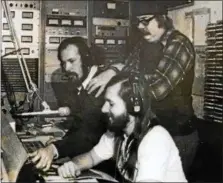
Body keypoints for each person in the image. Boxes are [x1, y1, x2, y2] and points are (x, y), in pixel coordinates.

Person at [85, 12, 199, 176]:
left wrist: (119, 73)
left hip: (176, 136)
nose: (140, 27)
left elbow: (156, 89)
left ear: (162, 18)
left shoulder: (179, 44)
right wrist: (114, 69)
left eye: (145, 21)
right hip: (146, 132)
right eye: (138, 22)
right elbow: (126, 76)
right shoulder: (143, 44)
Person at [57, 73, 187, 182]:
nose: (103, 109)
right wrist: (73, 166)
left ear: (132, 108)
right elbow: (91, 157)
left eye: (111, 104)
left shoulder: (155, 139)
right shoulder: (117, 131)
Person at [29, 37, 109, 172]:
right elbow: (79, 125)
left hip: (105, 165)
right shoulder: (82, 84)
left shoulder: (99, 86)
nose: (66, 68)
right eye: (63, 62)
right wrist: (58, 143)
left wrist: (54, 149)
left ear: (87, 60)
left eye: (72, 61)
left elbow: (88, 133)